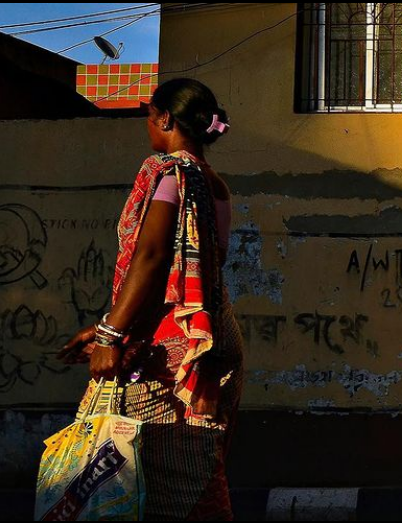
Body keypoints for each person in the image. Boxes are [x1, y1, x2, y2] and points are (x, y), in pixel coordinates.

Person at [58, 77, 244, 520]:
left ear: (164, 118)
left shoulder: (166, 172)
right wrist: (106, 325)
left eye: (148, 116)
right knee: (195, 467)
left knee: (138, 475)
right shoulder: (215, 184)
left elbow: (154, 257)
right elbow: (190, 274)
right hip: (212, 341)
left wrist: (110, 333)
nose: (148, 125)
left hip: (166, 350)